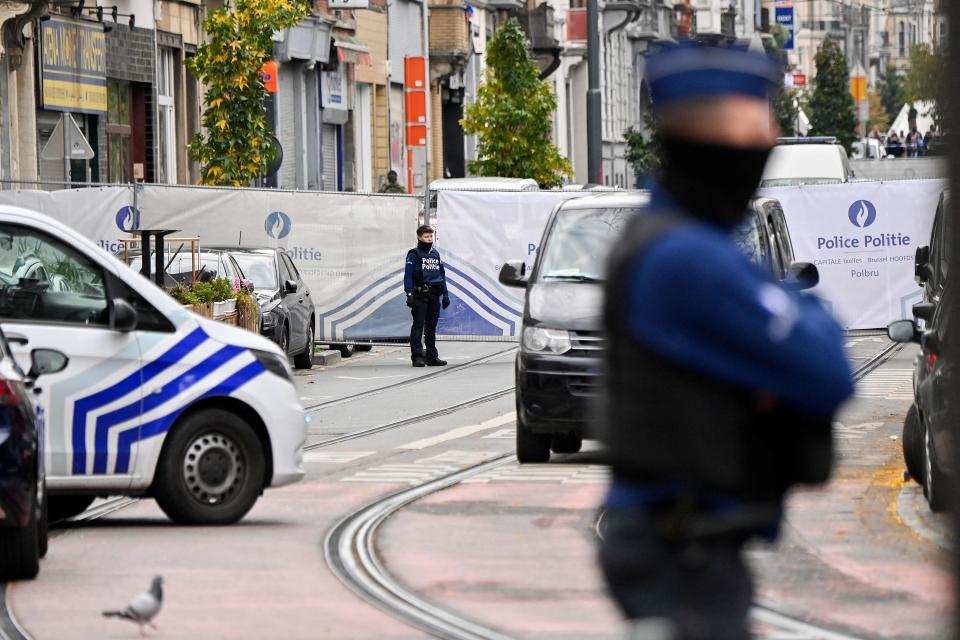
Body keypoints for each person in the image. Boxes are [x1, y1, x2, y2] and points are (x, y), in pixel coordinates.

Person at [597, 41, 854, 640]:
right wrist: (801, 308)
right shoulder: (688, 258)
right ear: (714, 140)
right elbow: (826, 369)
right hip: (681, 551)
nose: (773, 139)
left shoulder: (681, 239)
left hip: (687, 544)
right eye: (760, 121)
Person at [404, 225, 450, 367]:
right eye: (426, 236)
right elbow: (408, 275)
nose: (429, 239)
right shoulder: (414, 254)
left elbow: (441, 275)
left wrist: (445, 294)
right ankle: (417, 356)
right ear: (419, 237)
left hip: (434, 295)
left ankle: (432, 356)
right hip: (419, 295)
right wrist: (409, 293)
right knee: (418, 325)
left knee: (431, 327)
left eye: (431, 236)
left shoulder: (435, 254)